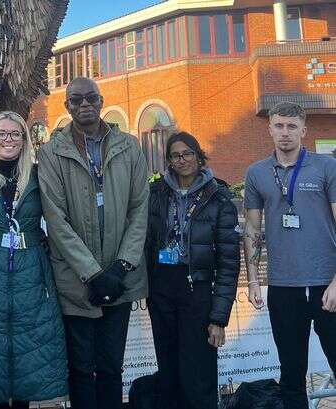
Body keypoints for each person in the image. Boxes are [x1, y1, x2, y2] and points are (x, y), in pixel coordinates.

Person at [37, 77, 149, 409]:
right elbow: (54, 218)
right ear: (67, 106)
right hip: (76, 282)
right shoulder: (51, 153)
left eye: (91, 98)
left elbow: (140, 208)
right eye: (76, 100)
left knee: (112, 368)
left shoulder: (129, 147)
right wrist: (92, 272)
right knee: (81, 370)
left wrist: (121, 266)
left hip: (121, 276)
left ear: (101, 101)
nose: (84, 105)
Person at [0, 111, 67, 409]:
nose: (8, 139)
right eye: (2, 134)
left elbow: (59, 216)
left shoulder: (38, 174)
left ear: (24, 139)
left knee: (27, 357)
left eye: (15, 134)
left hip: (32, 272)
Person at [244, 101, 336, 409]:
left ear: (304, 131)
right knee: (292, 375)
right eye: (279, 126)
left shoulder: (326, 167)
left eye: (292, 126)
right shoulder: (256, 173)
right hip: (283, 288)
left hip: (328, 286)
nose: (285, 133)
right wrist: (255, 280)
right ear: (269, 129)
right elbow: (253, 230)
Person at [144, 131, 240, 409]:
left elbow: (229, 262)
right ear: (169, 161)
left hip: (198, 291)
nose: (182, 159)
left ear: (199, 156)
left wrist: (219, 318)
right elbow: (145, 241)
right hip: (162, 289)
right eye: (175, 155)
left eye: (188, 153)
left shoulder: (219, 197)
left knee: (198, 375)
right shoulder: (156, 193)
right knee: (169, 373)